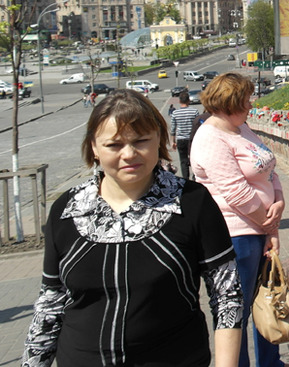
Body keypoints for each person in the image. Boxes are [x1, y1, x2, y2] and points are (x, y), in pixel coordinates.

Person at [23, 89, 243, 367]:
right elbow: (50, 306)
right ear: (94, 147)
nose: (129, 154)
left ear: (159, 141)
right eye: (114, 145)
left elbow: (226, 296)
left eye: (141, 141)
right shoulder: (66, 210)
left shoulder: (192, 202)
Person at [190, 73, 289, 367]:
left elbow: (268, 167)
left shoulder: (240, 128)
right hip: (236, 235)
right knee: (238, 311)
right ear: (229, 102)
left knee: (267, 302)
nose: (250, 104)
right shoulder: (210, 137)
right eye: (245, 99)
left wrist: (280, 199)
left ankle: (271, 363)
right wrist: (269, 225)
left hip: (259, 228)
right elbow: (236, 192)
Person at [171, 90, 200, 179]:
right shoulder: (195, 112)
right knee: (194, 159)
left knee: (183, 161)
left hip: (181, 139)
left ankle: (185, 179)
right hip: (192, 139)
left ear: (179, 101)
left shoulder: (175, 113)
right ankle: (195, 177)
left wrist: (173, 142)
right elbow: (197, 126)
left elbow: (173, 129)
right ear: (189, 101)